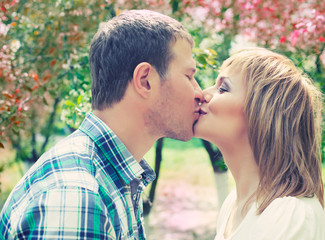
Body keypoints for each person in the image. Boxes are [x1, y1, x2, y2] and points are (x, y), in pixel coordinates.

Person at [0, 10, 203, 240]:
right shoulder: (76, 198)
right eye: (189, 76)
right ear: (145, 80)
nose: (199, 92)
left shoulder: (114, 176)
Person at [195, 47, 325, 239]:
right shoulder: (233, 204)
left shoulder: (290, 215)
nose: (203, 94)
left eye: (223, 88)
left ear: (261, 114)